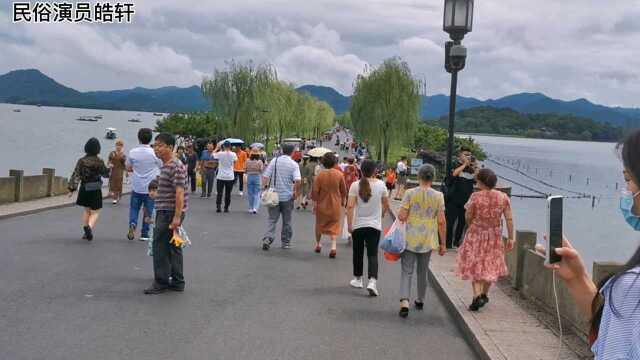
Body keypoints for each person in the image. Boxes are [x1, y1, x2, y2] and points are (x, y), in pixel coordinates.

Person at [536, 130, 640, 359]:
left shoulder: (633, 287)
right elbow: (613, 330)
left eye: (628, 179)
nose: (626, 191)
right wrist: (577, 279)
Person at [456, 168, 515, 311]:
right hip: (494, 235)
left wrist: (472, 226)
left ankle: (476, 295)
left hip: (476, 233)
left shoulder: (475, 196)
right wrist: (511, 237)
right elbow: (509, 218)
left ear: (481, 182)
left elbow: (468, 215)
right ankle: (484, 294)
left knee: (476, 263)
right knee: (491, 264)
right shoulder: (503, 197)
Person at [397, 164, 447, 318]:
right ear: (433, 178)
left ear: (418, 176)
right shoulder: (438, 196)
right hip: (427, 238)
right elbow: (441, 221)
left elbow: (401, 216)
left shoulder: (410, 193)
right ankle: (420, 299)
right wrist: (443, 243)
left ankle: (404, 300)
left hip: (410, 236)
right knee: (423, 271)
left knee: (407, 270)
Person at [144, 133, 189, 295]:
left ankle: (161, 281)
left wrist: (177, 216)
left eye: (160, 145)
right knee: (173, 246)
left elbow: (179, 193)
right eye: (155, 145)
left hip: (169, 212)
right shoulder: (167, 165)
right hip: (168, 211)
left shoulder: (175, 166)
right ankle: (177, 281)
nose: (156, 148)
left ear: (170, 147)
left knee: (160, 246)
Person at [346, 159, 390, 296]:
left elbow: (350, 206)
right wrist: (381, 214)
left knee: (357, 253)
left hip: (358, 225)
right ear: (375, 171)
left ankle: (358, 279)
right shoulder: (382, 185)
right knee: (372, 254)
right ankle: (372, 281)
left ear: (361, 170)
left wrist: (349, 225)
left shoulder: (355, 185)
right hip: (374, 226)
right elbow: (386, 205)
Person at [68, 138, 110, 241]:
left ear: (86, 148)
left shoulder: (81, 161)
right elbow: (105, 174)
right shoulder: (99, 161)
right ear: (98, 149)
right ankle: (89, 228)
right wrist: (109, 167)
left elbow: (76, 175)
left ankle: (86, 232)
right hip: (95, 187)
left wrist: (71, 189)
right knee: (95, 211)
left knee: (87, 210)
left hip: (84, 187)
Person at [261, 143, 302, 250]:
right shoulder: (294, 164)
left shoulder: (274, 161)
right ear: (292, 152)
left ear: (282, 150)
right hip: (287, 197)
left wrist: (265, 188)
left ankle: (268, 238)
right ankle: (286, 242)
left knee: (272, 219)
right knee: (287, 221)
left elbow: (265, 176)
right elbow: (298, 180)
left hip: (274, 196)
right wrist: (296, 193)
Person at [126, 128, 162, 242]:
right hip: (150, 188)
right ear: (150, 138)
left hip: (136, 186)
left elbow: (128, 167)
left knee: (134, 208)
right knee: (148, 210)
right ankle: (144, 233)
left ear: (139, 138)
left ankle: (132, 223)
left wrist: (135, 168)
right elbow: (161, 165)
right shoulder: (154, 153)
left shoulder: (132, 152)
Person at [311, 153, 348, 258]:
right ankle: (333, 246)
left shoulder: (320, 175)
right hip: (335, 204)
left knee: (319, 225)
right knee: (334, 225)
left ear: (323, 163)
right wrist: (343, 201)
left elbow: (315, 192)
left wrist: (314, 204)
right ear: (335, 163)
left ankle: (318, 244)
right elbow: (344, 191)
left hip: (322, 204)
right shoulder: (339, 175)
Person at [445, 146, 477, 249]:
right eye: (465, 155)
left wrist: (475, 167)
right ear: (460, 155)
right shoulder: (454, 164)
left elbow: (477, 179)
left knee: (462, 223)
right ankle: (447, 243)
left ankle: (456, 242)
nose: (468, 157)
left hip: (466, 200)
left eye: (469, 155)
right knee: (450, 221)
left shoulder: (471, 167)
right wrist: (464, 164)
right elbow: (454, 174)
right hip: (453, 199)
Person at [214, 141, 237, 213]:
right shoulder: (233, 154)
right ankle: (226, 207)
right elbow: (235, 162)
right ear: (230, 146)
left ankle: (218, 207)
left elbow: (213, 155)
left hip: (220, 176)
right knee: (228, 193)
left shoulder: (220, 153)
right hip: (230, 176)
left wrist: (217, 148)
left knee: (219, 192)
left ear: (223, 146)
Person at [245, 149, 264, 214]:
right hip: (257, 177)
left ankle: (250, 207)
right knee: (257, 193)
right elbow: (261, 170)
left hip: (249, 177)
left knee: (250, 193)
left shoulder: (247, 161)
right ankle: (255, 208)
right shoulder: (260, 162)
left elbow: (245, 169)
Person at [108, 139, 127, 205]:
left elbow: (124, 164)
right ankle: (114, 195)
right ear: (115, 146)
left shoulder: (123, 155)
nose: (118, 147)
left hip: (120, 171)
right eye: (117, 145)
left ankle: (115, 197)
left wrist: (126, 172)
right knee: (112, 183)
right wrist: (109, 164)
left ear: (122, 147)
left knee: (118, 184)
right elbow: (109, 161)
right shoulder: (112, 153)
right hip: (113, 170)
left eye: (120, 145)